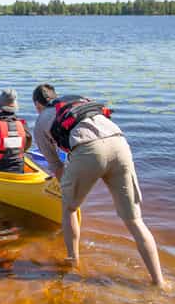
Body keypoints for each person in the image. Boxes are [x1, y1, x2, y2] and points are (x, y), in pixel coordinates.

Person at [31, 83, 167, 287]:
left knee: (69, 209)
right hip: (120, 144)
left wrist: (68, 191)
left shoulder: (41, 120)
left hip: (87, 150)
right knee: (135, 220)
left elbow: (57, 166)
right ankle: (159, 282)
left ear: (37, 105)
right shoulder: (76, 101)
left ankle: (73, 263)